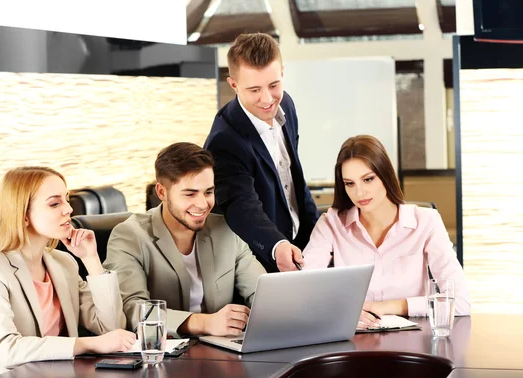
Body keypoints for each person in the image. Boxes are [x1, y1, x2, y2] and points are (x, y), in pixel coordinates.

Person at [0, 167, 135, 378]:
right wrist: (89, 344)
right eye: (54, 203)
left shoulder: (63, 263)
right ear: (24, 215)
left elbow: (111, 329)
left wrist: (91, 259)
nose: (68, 209)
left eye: (67, 200)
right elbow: (7, 349)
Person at [302, 135, 471, 326]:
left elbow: (460, 302)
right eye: (350, 183)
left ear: (385, 174)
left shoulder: (426, 222)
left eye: (368, 179)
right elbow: (303, 292)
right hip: (352, 342)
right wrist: (341, 310)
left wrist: (386, 307)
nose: (359, 193)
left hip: (412, 343)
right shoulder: (330, 224)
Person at [103, 142, 266, 337]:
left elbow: (263, 292)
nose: (202, 204)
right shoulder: (129, 236)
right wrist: (206, 323)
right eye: (190, 194)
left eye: (208, 192)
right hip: (163, 358)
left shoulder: (225, 230)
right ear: (162, 192)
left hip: (223, 352)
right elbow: (133, 310)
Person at [204, 33, 318, 274]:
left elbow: (294, 177)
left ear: (282, 73)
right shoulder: (224, 140)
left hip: (303, 247)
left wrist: (318, 233)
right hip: (261, 262)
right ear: (233, 84)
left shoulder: (285, 103)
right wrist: (276, 246)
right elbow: (241, 206)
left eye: (274, 85)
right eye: (254, 89)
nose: (267, 99)